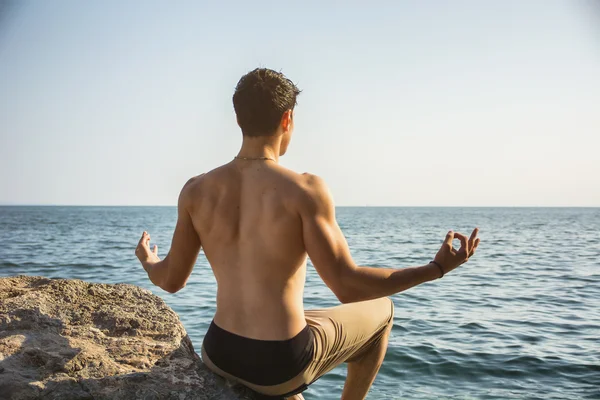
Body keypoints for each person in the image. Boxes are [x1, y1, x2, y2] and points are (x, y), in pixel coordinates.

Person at [135, 68, 480, 400]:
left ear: (238, 119)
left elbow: (171, 280)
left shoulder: (196, 189)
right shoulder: (304, 190)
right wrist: (436, 269)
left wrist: (149, 259)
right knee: (382, 312)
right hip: (280, 366)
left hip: (220, 352)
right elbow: (347, 286)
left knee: (310, 315)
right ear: (287, 120)